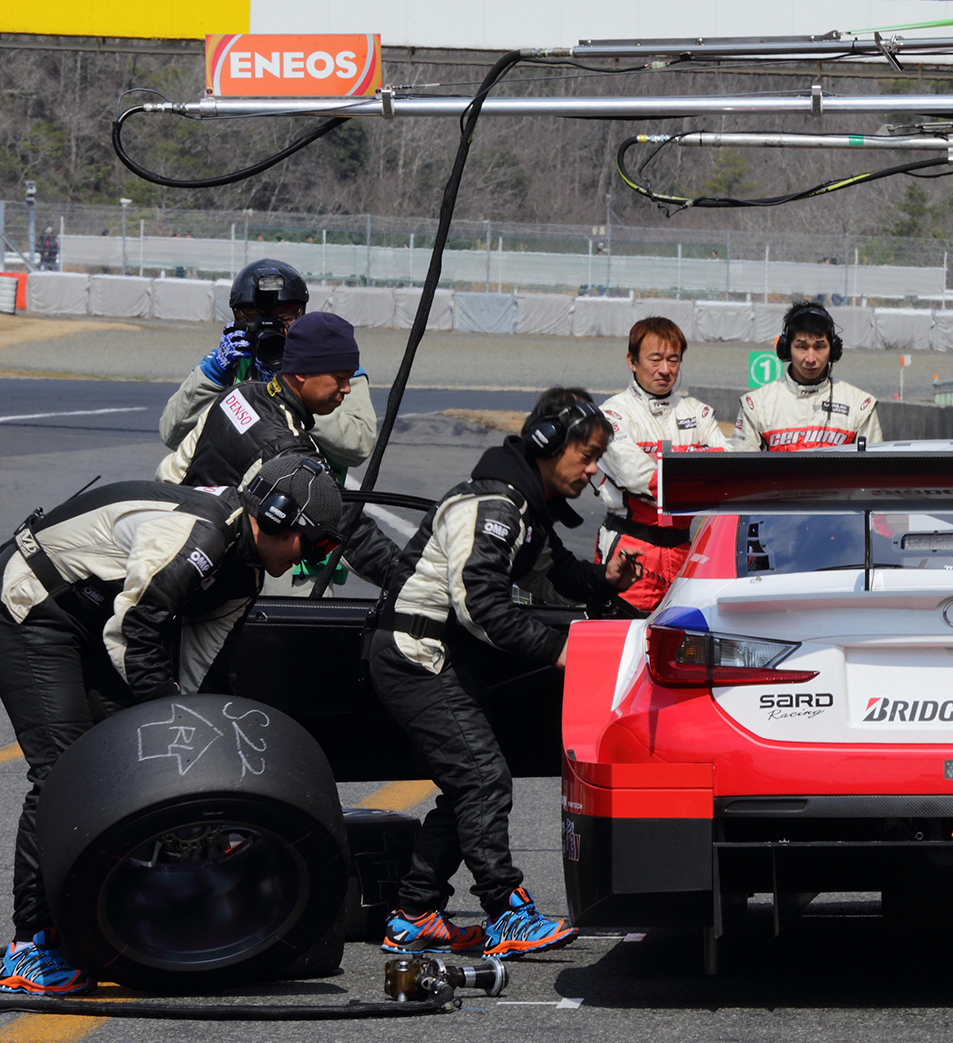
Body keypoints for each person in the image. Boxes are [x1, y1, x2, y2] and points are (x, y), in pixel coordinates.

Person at [0, 457, 346, 993]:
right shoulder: (199, 539)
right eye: (318, 545)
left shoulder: (244, 572)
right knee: (63, 770)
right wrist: (165, 727)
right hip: (34, 605)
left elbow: (195, 676)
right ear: (277, 519)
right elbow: (133, 637)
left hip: (97, 618)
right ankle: (28, 946)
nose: (315, 561)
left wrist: (193, 760)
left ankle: (119, 909)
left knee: (130, 765)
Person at [373, 389, 638, 958]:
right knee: (483, 779)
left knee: (468, 785)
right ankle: (505, 911)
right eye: (587, 455)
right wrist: (559, 652)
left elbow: (552, 573)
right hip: (416, 653)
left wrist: (605, 581)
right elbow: (483, 606)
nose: (594, 472)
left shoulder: (523, 507)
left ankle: (415, 914)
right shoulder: (495, 505)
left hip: (435, 653)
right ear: (546, 444)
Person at [156, 312, 396, 588]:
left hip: (170, 540)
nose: (346, 389)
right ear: (303, 372)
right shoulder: (287, 448)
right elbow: (348, 526)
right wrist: (407, 580)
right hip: (210, 576)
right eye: (340, 378)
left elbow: (171, 472)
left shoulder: (239, 394)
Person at [160, 258, 376, 478]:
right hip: (231, 499)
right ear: (237, 317)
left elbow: (359, 447)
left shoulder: (335, 368)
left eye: (285, 318)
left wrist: (296, 394)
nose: (271, 328)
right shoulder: (230, 362)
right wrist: (214, 375)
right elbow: (172, 435)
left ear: (301, 315)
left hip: (308, 497)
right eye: (255, 319)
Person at [595, 316, 733, 614]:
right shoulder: (612, 414)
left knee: (684, 643)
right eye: (655, 359)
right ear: (632, 361)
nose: (665, 369)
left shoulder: (697, 413)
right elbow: (634, 474)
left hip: (686, 549)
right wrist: (700, 479)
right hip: (631, 549)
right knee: (625, 639)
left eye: (673, 360)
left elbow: (728, 466)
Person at [735, 302, 881, 451]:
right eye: (802, 347)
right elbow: (741, 470)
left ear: (833, 349)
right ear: (786, 349)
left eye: (819, 347)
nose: (810, 359)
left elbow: (876, 470)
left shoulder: (860, 406)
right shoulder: (756, 405)